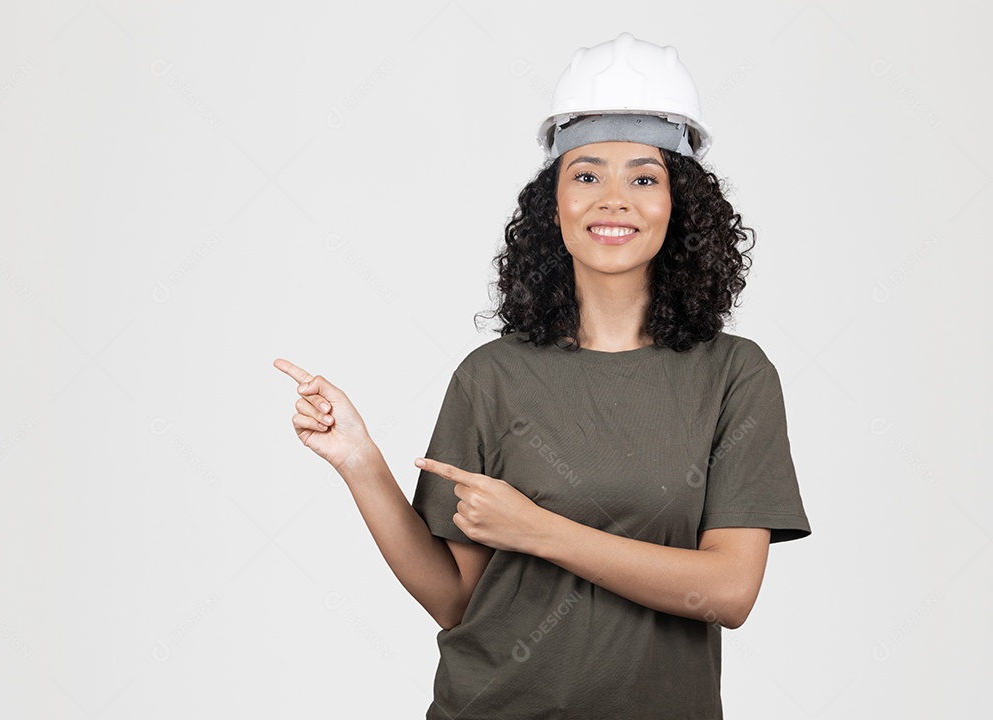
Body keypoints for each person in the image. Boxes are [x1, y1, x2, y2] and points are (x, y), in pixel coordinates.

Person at [275, 32, 811, 719]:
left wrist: (537, 530)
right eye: (586, 174)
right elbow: (458, 600)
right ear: (551, 203)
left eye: (644, 177)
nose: (612, 198)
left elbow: (730, 591)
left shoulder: (735, 375)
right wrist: (359, 461)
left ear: (681, 204)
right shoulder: (490, 376)